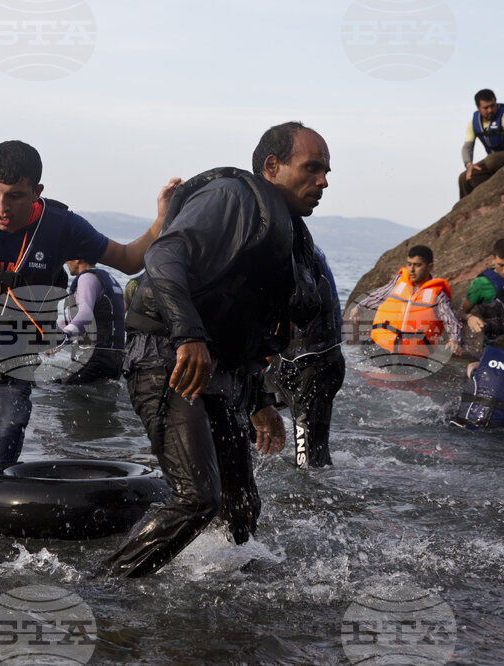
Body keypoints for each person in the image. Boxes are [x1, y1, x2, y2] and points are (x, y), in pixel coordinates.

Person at [97, 122, 327, 578]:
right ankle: (105, 587)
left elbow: (249, 323)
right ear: (272, 167)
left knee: (241, 507)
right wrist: (189, 336)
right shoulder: (233, 198)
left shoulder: (289, 237)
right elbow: (163, 256)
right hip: (166, 352)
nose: (322, 181)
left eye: (326, 172)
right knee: (198, 498)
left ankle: (224, 598)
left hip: (217, 367)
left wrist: (260, 400)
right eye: (312, 168)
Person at [0, 139, 179, 490]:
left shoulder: (64, 229)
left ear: (36, 191)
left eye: (14, 195)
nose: (1, 206)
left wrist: (162, 218)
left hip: (10, 371)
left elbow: (130, 259)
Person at [266, 242, 344, 468]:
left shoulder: (293, 250)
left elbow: (289, 313)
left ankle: (314, 501)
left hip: (314, 368)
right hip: (293, 364)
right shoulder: (300, 243)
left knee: (308, 464)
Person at [350, 245, 463, 357]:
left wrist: (455, 340)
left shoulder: (437, 294)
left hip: (412, 355)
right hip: (382, 346)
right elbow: (380, 295)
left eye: (418, 265)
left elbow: (451, 320)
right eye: (409, 264)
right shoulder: (399, 282)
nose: (412, 270)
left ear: (430, 267)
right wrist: (360, 307)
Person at [56, 258, 126, 384]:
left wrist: (63, 337)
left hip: (96, 357)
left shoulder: (86, 278)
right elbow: (95, 322)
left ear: (77, 259)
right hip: (116, 359)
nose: (66, 262)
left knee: (55, 389)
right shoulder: (108, 279)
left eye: (68, 258)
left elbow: (85, 314)